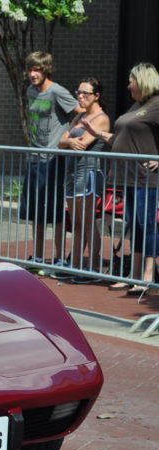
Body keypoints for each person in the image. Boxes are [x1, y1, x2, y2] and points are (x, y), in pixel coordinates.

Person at [84, 62, 159, 296]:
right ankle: (134, 274)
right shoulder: (138, 105)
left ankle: (148, 274)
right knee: (133, 226)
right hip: (126, 177)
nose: (128, 86)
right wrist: (100, 134)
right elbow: (122, 139)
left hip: (146, 177)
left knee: (146, 225)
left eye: (131, 81)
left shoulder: (157, 104)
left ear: (143, 80)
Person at [21, 52, 78, 268]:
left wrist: (68, 136)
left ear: (46, 70)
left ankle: (60, 258)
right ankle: (36, 256)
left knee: (55, 210)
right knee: (36, 210)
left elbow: (80, 112)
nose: (34, 74)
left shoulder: (57, 91)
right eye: (31, 70)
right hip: (35, 158)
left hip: (54, 159)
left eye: (38, 70)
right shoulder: (30, 91)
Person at [56, 77, 109, 283]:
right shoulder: (79, 117)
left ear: (96, 96)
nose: (80, 96)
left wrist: (69, 142)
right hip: (71, 173)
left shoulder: (101, 118)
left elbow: (84, 143)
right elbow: (63, 142)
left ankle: (92, 267)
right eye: (78, 92)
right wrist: (69, 140)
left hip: (87, 173)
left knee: (87, 221)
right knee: (76, 222)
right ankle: (76, 264)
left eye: (85, 93)